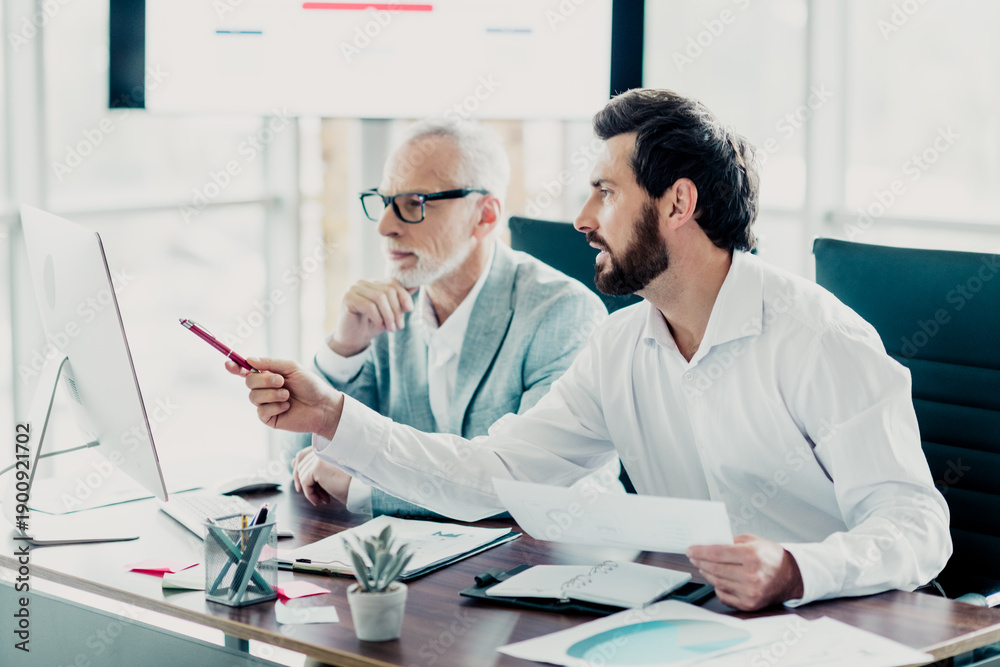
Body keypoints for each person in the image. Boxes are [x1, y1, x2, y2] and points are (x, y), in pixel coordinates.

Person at [230, 89, 951, 611]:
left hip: (846, 630)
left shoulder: (816, 338)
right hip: (708, 625)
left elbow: (918, 525)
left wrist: (795, 567)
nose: (580, 219)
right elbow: (494, 473)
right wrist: (331, 414)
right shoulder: (621, 344)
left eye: (604, 192)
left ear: (677, 205)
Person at [286, 119, 609, 517]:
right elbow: (304, 460)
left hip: (537, 561)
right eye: (384, 202)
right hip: (415, 563)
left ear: (485, 215)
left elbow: (525, 489)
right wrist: (343, 349)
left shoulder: (561, 314)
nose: (385, 226)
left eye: (413, 204)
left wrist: (361, 487)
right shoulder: (385, 310)